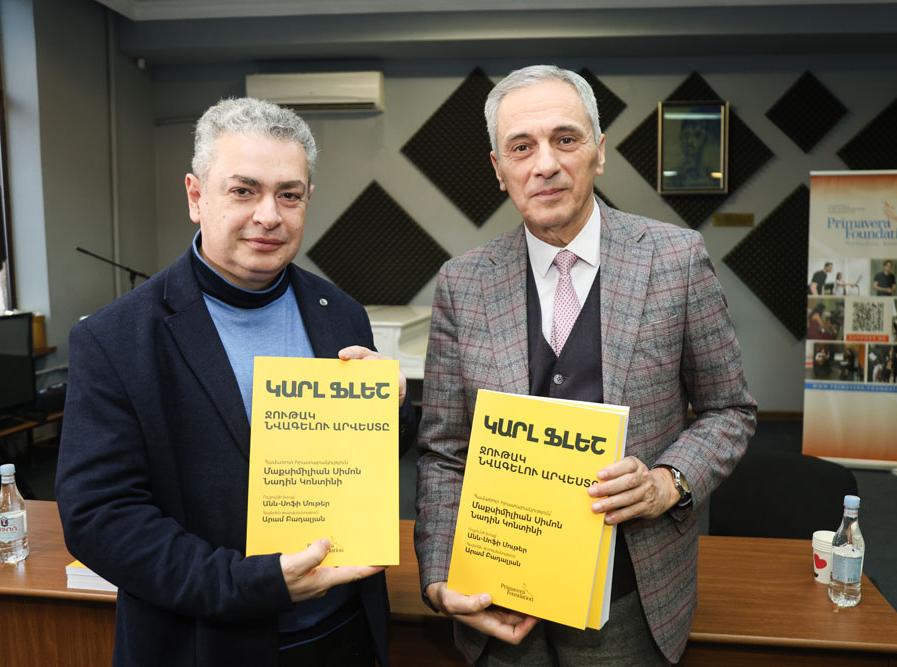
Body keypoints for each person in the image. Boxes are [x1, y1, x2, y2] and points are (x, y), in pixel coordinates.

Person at [55, 98, 417, 666]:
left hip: (343, 635)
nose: (269, 215)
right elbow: (99, 519)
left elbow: (362, 464)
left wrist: (391, 408)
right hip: (204, 644)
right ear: (196, 196)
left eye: (289, 195)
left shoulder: (340, 313)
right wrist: (254, 583)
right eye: (244, 191)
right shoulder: (115, 338)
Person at [414, 65, 756, 666]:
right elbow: (444, 451)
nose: (545, 164)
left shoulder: (676, 260)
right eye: (522, 147)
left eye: (565, 139)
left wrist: (667, 482)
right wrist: (441, 579)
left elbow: (730, 410)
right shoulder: (461, 283)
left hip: (628, 598)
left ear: (599, 152)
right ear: (498, 168)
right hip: (496, 593)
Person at [663, 114, 721, 190]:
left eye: (697, 135)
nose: (690, 141)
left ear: (706, 139)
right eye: (687, 135)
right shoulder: (671, 177)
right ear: (680, 137)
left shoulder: (714, 178)